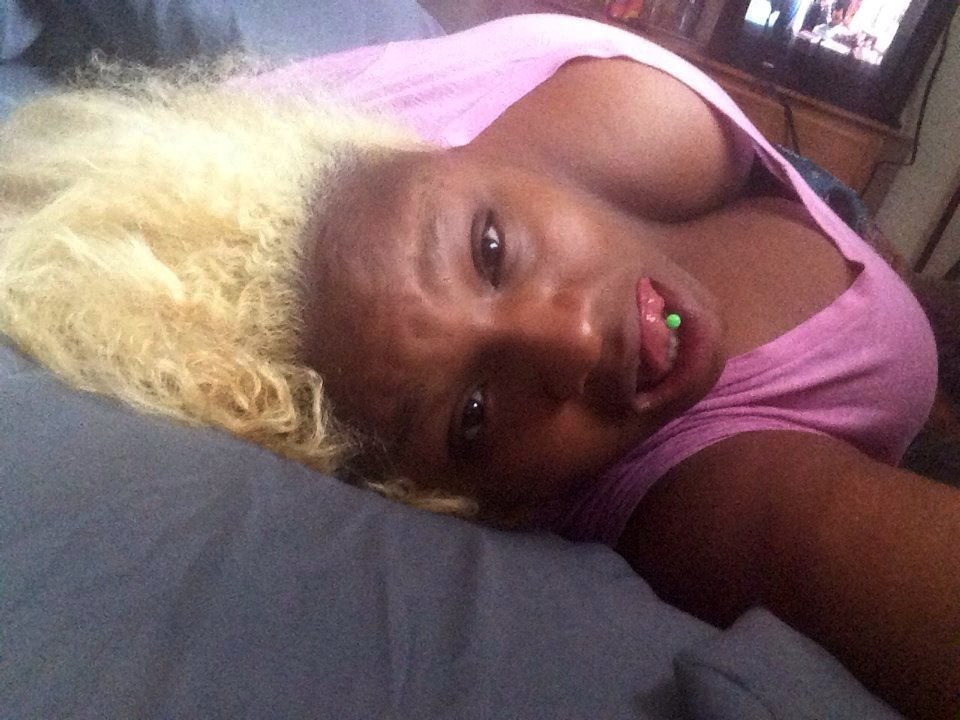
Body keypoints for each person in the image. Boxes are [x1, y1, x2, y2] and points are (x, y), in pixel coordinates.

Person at [0, 13, 957, 719]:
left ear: (443, 155)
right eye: (472, 417)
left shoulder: (366, 156)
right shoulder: (699, 501)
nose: (575, 342)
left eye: (492, 251)